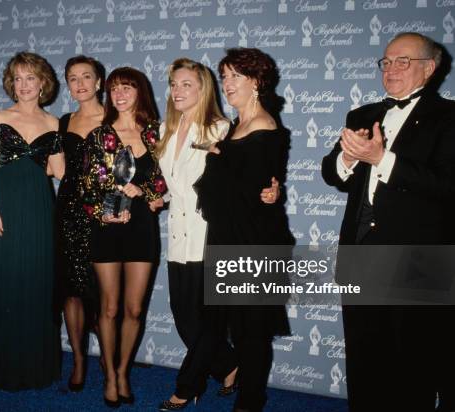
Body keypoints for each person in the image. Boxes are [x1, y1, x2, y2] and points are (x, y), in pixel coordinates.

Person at [322, 32, 455, 412]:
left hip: (419, 260)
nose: (392, 69)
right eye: (386, 62)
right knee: (364, 359)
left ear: (429, 69)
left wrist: (383, 160)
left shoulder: (449, 118)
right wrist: (348, 160)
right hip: (361, 256)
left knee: (413, 364)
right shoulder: (362, 115)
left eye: (403, 62)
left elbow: (447, 186)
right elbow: (332, 173)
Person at [155, 58, 280, 410]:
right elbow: (176, 184)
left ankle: (187, 386)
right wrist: (157, 197)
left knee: (206, 319)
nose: (178, 91)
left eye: (186, 84)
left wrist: (271, 190)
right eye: (174, 84)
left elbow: (244, 177)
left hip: (210, 231)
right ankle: (228, 365)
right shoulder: (165, 128)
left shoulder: (221, 128)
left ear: (202, 89)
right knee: (184, 317)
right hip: (178, 230)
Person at [191, 48, 294, 412]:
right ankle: (240, 389)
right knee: (232, 324)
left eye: (236, 76)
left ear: (257, 82)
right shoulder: (237, 126)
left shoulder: (265, 127)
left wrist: (222, 160)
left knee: (252, 330)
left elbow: (254, 188)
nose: (228, 84)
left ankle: (251, 402)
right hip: (228, 236)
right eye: (225, 76)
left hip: (252, 242)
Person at [0, 51, 64, 391]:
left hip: (40, 208)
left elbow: (57, 171)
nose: (24, 85)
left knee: (37, 282)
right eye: (18, 78)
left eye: (31, 78)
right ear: (12, 83)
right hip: (4, 206)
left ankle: (34, 368)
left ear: (43, 83)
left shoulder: (53, 123)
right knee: (3, 281)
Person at [82, 67, 166, 408]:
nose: (120, 93)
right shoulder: (99, 136)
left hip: (142, 228)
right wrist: (109, 206)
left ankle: (122, 369)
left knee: (134, 308)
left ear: (139, 92)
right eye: (114, 88)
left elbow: (164, 182)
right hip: (108, 227)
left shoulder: (156, 134)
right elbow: (88, 186)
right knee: (111, 306)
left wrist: (143, 191)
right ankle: (111, 375)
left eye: (127, 87)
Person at [56, 55, 105, 392]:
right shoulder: (62, 122)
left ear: (99, 82)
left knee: (103, 294)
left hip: (105, 217)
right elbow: (54, 168)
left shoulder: (116, 118)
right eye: (73, 78)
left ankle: (109, 358)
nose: (80, 84)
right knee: (71, 292)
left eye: (86, 76)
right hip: (68, 213)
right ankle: (77, 360)